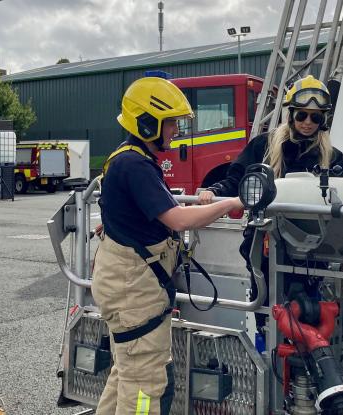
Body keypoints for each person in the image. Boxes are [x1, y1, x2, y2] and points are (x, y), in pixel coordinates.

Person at [92, 75, 244, 415]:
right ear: (147, 123)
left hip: (128, 287)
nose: (176, 130)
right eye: (171, 122)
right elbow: (178, 221)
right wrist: (230, 202)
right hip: (134, 292)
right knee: (145, 385)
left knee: (126, 374)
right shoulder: (135, 165)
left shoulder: (127, 158)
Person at [197, 75, 343, 306]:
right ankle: (265, 339)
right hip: (265, 241)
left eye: (315, 117)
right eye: (301, 115)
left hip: (312, 247)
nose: (308, 122)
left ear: (323, 120)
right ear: (291, 114)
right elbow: (237, 179)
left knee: (309, 308)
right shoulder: (263, 145)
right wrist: (214, 191)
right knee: (265, 304)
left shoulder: (333, 156)